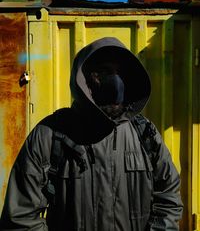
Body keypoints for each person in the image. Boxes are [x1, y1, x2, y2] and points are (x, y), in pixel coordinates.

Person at [0, 37, 183, 231]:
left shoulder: (145, 134)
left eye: (119, 72)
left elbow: (169, 200)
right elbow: (20, 217)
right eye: (103, 71)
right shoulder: (50, 135)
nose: (114, 80)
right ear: (84, 79)